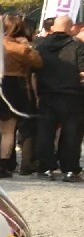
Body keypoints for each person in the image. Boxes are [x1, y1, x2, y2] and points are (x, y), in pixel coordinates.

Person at [0, 12, 39, 177]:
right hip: (12, 86)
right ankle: (3, 166)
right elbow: (38, 62)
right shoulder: (20, 47)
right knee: (8, 130)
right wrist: (28, 46)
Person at [36, 15, 84, 181]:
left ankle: (45, 168)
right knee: (72, 133)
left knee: (45, 131)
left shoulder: (41, 46)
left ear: (54, 27)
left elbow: (33, 72)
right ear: (70, 28)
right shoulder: (77, 46)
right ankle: (70, 169)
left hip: (46, 94)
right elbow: (83, 72)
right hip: (72, 96)